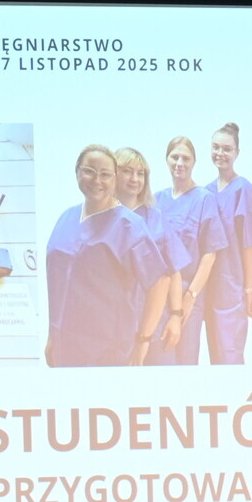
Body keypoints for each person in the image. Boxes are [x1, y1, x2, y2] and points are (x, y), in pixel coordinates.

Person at [43, 144, 171, 367]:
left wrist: (143, 340)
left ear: (114, 179)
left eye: (105, 174)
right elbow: (58, 285)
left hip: (109, 349)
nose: (97, 180)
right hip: (64, 344)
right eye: (89, 171)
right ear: (77, 172)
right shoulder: (66, 217)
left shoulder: (129, 226)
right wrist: (52, 335)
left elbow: (159, 282)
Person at [153, 135, 225, 366]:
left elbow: (210, 254)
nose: (179, 163)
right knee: (159, 358)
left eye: (186, 158)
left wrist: (191, 297)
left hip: (187, 293)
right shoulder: (156, 200)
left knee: (185, 361)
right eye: (174, 157)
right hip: (159, 294)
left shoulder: (204, 199)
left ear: (194, 162)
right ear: (166, 160)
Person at [113, 146, 184, 365]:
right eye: (127, 171)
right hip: (115, 325)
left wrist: (175, 316)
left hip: (157, 324)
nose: (135, 179)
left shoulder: (155, 217)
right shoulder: (103, 219)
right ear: (114, 174)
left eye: (140, 173)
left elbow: (174, 271)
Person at [202, 122, 252, 364]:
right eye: (216, 147)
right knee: (215, 355)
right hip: (208, 287)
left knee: (231, 355)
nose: (220, 153)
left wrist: (249, 289)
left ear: (237, 152)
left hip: (232, 286)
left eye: (227, 149)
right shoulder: (205, 192)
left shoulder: (243, 189)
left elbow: (249, 244)